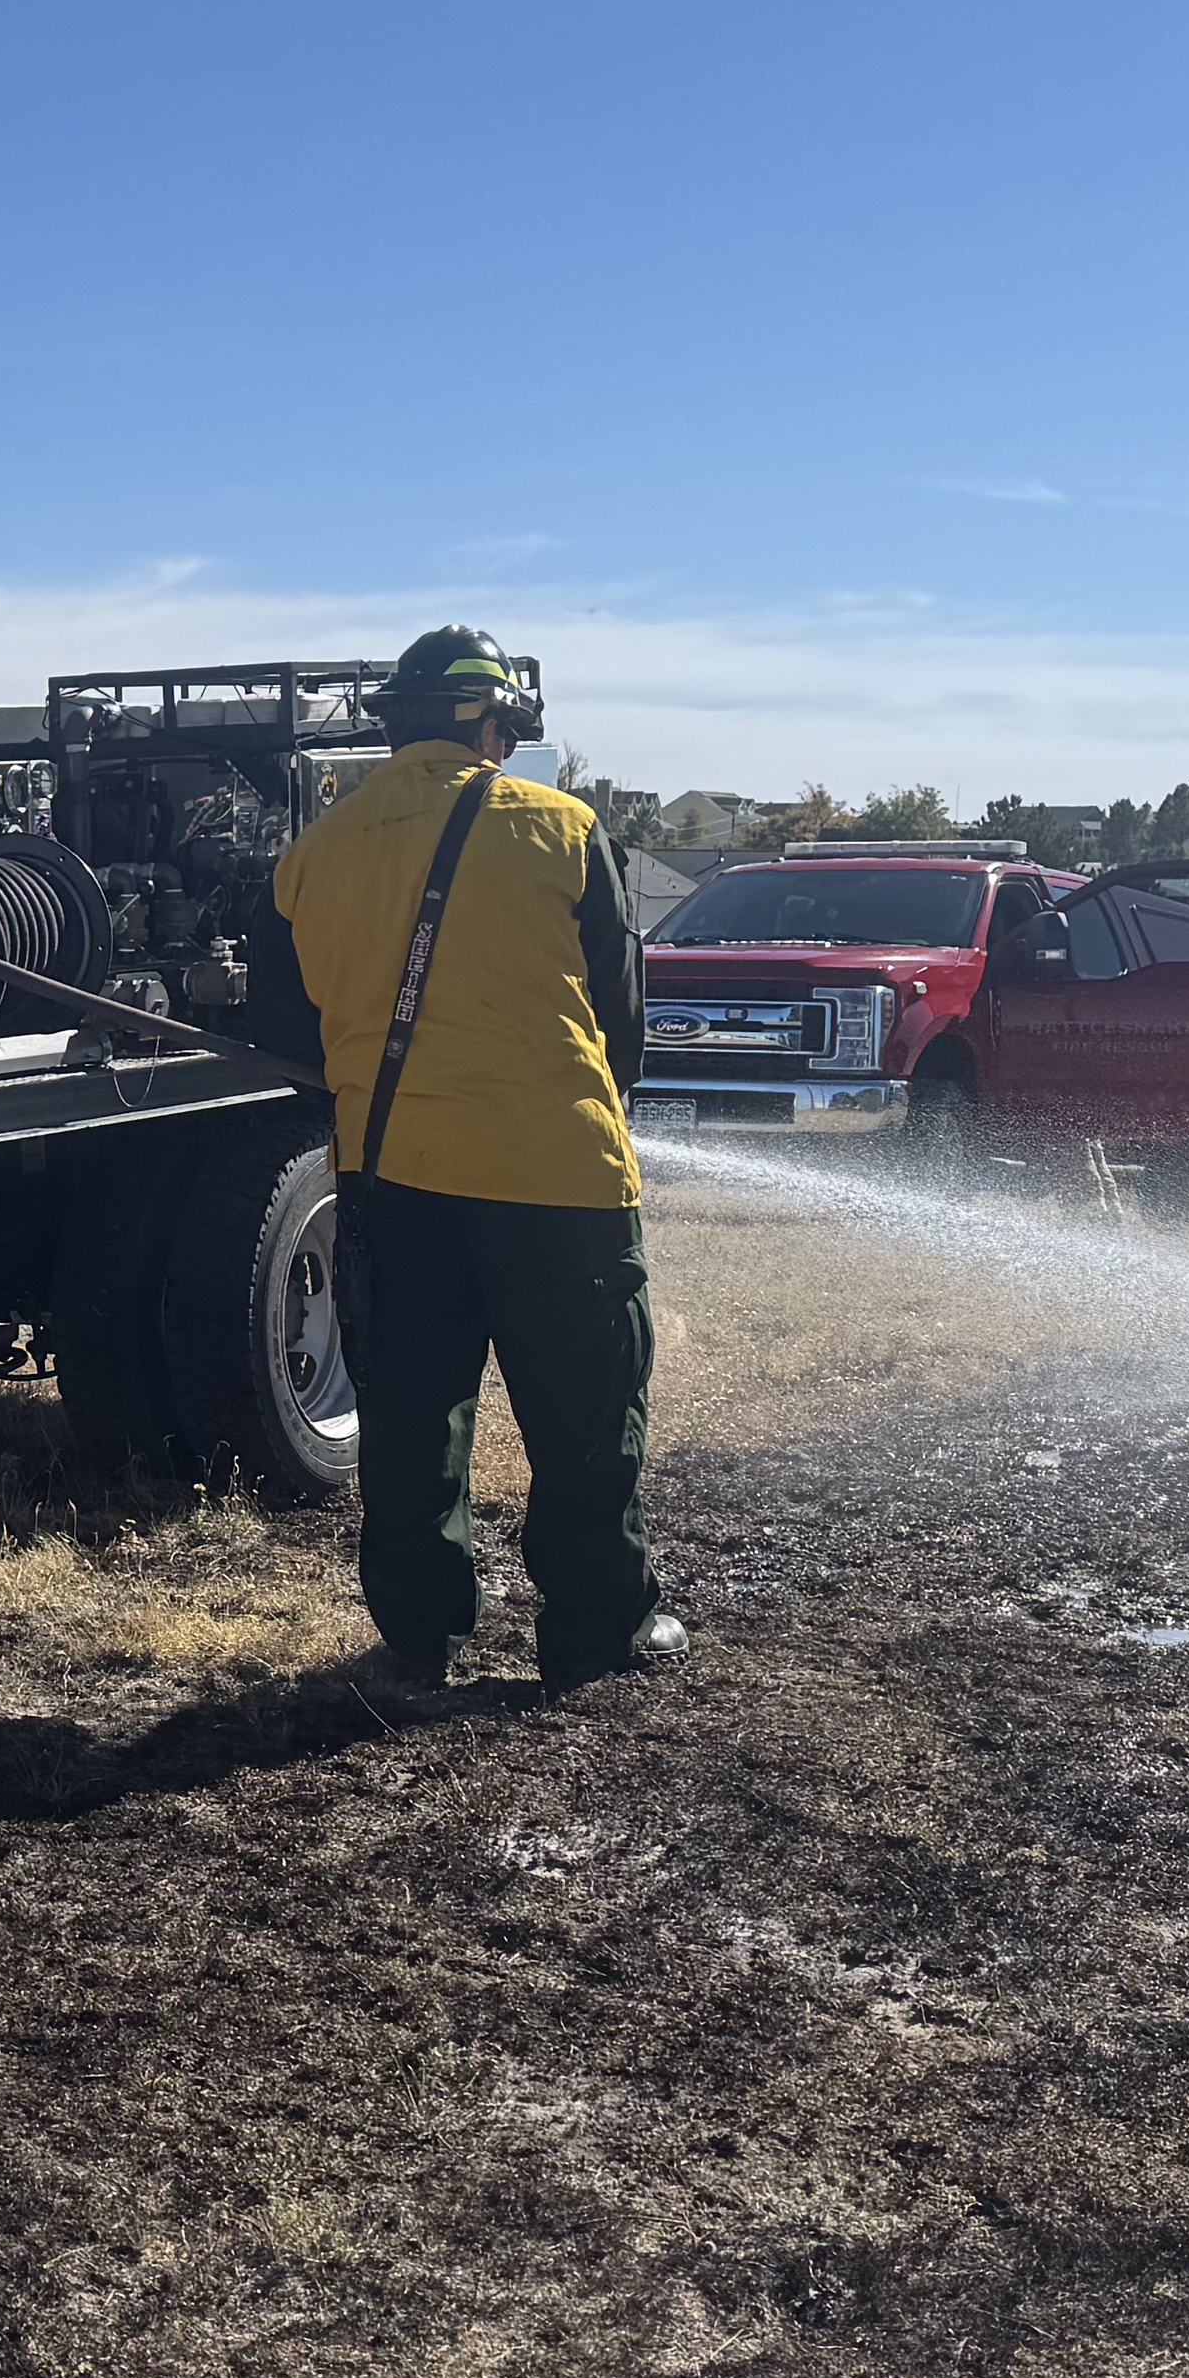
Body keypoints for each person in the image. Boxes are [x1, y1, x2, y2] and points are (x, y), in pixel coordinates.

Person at [260, 627, 685, 1695]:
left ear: (393, 726)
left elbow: (283, 1034)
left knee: (408, 1418)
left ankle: (418, 1638)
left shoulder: (314, 855)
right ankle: (597, 1632)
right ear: (493, 725)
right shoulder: (562, 829)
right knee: (586, 1417)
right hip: (558, 1184)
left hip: (390, 1179)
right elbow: (620, 1031)